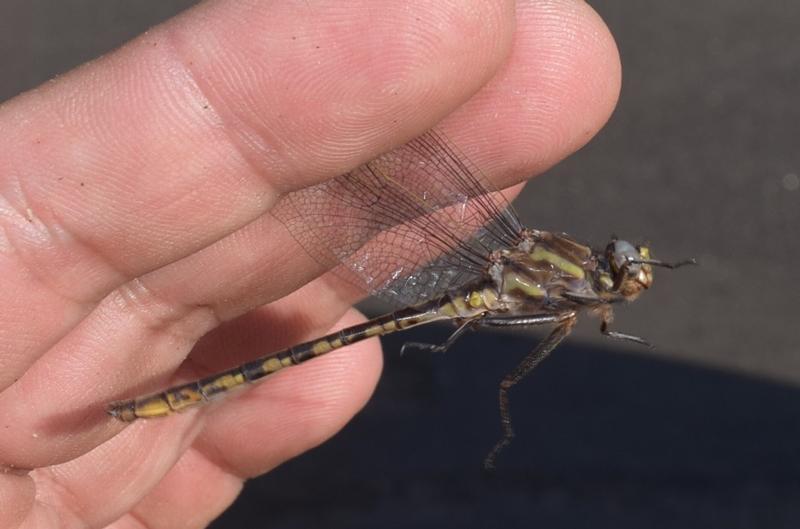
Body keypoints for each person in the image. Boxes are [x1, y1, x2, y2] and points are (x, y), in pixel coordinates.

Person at [0, 1, 621, 527]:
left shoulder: (570, 291)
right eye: (620, 267)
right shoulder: (558, 274)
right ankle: (153, 403)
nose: (624, 274)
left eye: (625, 272)